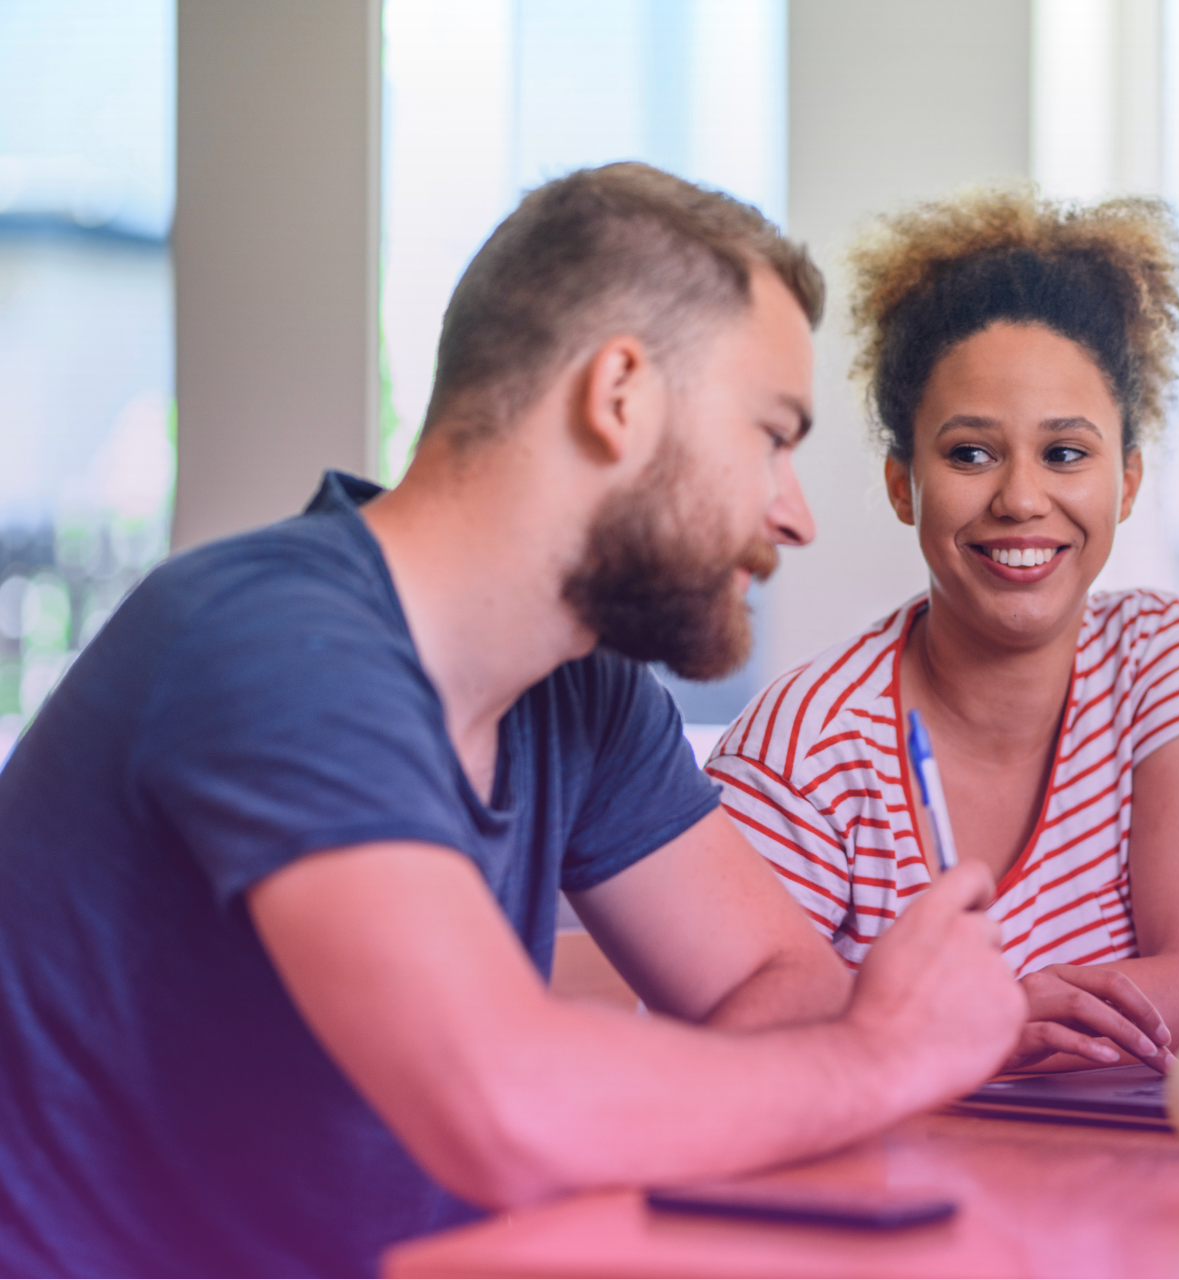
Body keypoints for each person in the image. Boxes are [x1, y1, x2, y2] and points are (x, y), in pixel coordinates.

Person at [0, 164, 1025, 1278]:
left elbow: (773, 982)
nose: (796, 511)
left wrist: (615, 1106)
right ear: (620, 394)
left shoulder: (579, 686)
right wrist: (882, 1056)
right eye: (771, 435)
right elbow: (500, 1102)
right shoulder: (269, 641)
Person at [706, 188, 1179, 1075]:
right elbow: (730, 1036)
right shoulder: (804, 746)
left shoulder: (1156, 654)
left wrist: (943, 1023)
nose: (1020, 498)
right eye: (970, 453)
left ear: (1125, 482)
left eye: (1066, 454)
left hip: (1120, 1190)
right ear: (903, 486)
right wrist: (997, 1023)